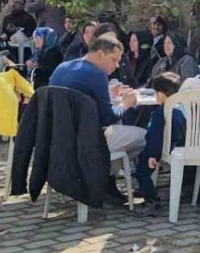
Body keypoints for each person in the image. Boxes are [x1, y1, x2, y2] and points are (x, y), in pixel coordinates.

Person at [49, 36, 146, 164]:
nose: (117, 65)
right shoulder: (97, 74)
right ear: (100, 54)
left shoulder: (61, 68)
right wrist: (126, 103)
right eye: (114, 59)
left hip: (57, 138)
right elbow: (108, 118)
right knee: (145, 136)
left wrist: (108, 94)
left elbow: (77, 97)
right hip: (87, 141)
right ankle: (106, 174)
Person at [132, 72, 186, 217]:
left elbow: (155, 136)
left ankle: (151, 199)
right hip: (180, 146)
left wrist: (152, 155)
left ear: (161, 94)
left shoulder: (160, 113)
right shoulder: (181, 108)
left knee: (142, 170)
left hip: (161, 148)